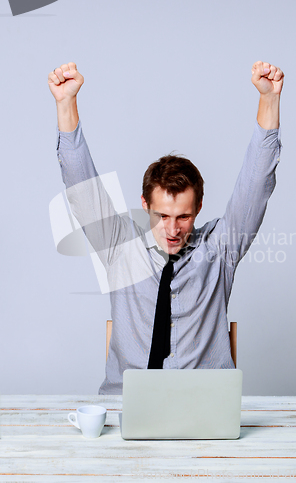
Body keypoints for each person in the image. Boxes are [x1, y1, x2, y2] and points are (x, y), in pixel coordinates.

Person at [48, 61, 284, 394]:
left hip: (205, 404)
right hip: (127, 404)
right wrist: (65, 103)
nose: (172, 229)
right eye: (161, 216)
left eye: (183, 217)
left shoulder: (220, 249)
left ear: (199, 208)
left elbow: (256, 184)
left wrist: (269, 100)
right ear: (144, 206)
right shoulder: (119, 246)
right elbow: (81, 187)